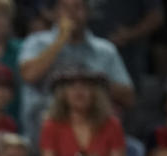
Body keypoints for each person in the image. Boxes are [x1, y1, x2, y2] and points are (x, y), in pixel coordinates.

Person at [17, 0, 133, 142]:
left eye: (78, 7)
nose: (71, 13)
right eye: (65, 8)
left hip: (91, 136)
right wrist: (60, 40)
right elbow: (28, 76)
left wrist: (93, 80)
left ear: (89, 13)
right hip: (40, 134)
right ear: (54, 13)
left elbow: (129, 98)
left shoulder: (105, 50)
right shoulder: (36, 42)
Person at [34, 66, 125, 156]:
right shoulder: (51, 126)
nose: (79, 92)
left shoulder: (112, 125)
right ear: (63, 94)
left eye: (85, 86)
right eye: (72, 86)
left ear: (96, 93)